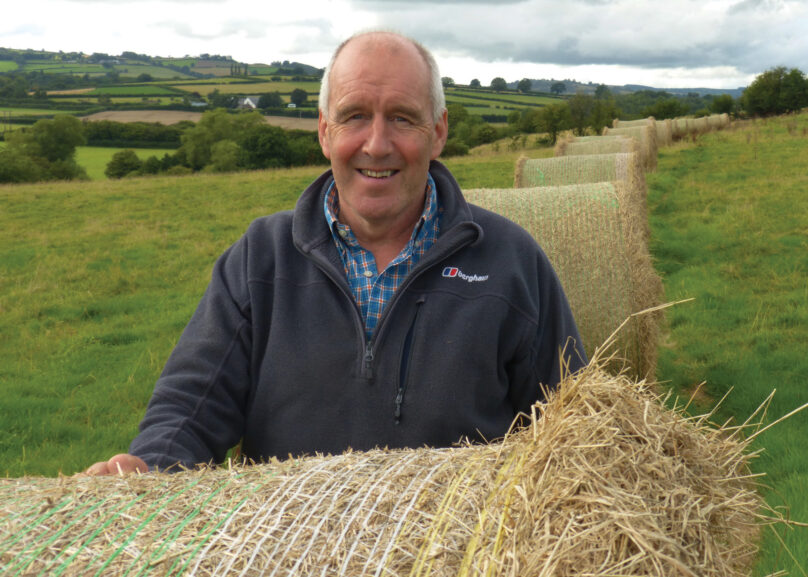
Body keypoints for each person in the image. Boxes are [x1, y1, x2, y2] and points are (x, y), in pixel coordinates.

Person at [83, 30, 586, 476]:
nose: (377, 143)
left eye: (403, 119)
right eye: (355, 117)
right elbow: (190, 408)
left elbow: (573, 430)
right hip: (286, 551)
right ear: (325, 132)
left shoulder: (511, 262)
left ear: (438, 133)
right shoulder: (261, 260)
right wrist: (148, 468)